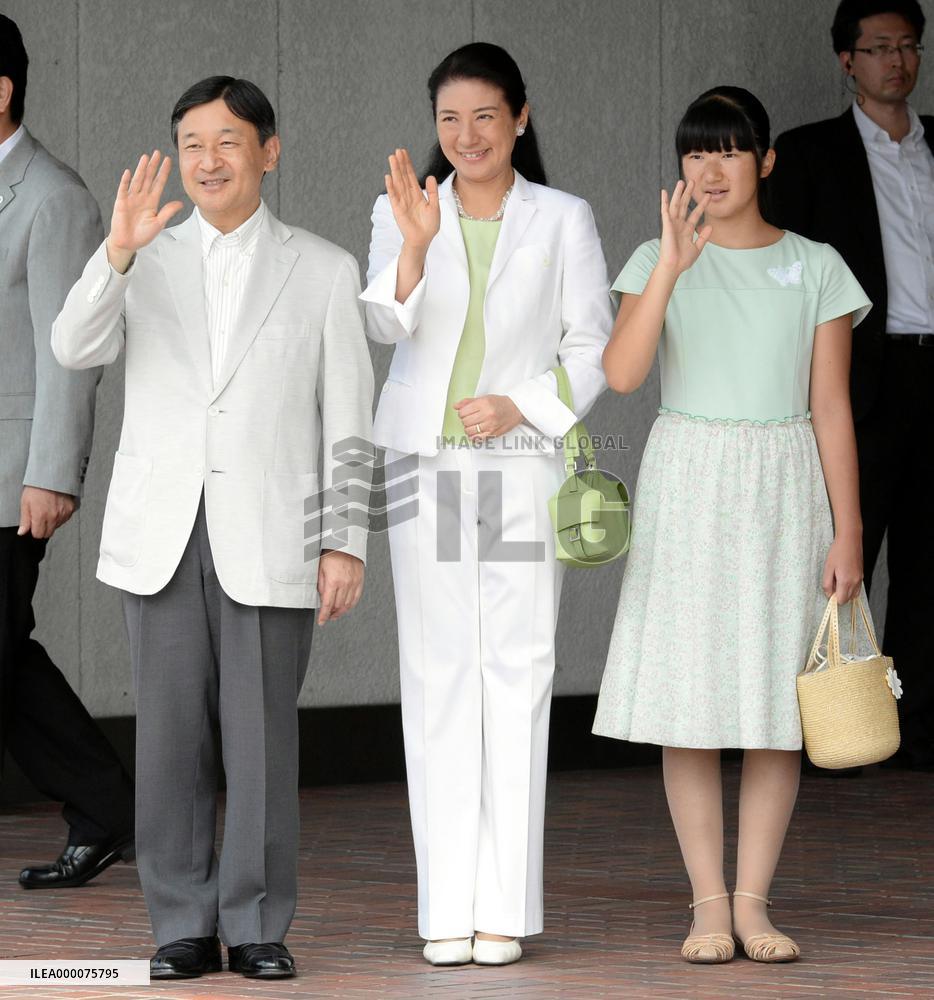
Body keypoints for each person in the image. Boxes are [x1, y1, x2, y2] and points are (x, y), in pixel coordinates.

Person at [52, 76, 374, 980]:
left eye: (228, 141)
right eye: (192, 142)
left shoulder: (323, 267)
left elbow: (351, 419)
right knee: (167, 741)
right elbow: (72, 347)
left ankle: (260, 920)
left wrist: (346, 538)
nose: (208, 160)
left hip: (271, 532)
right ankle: (181, 924)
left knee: (262, 739)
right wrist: (114, 253)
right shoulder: (141, 254)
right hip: (161, 530)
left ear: (268, 151)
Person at [593, 86, 871, 964]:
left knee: (770, 705)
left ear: (766, 160)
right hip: (691, 480)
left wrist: (849, 528)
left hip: (787, 484)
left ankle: (754, 904)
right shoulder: (653, 256)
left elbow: (832, 406)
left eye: (730, 151)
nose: (710, 169)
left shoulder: (817, 264)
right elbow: (623, 374)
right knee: (691, 699)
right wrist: (673, 264)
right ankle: (706, 905)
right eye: (695, 152)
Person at [361, 42, 611, 967]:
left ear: (521, 118)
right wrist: (415, 246)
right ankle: (445, 909)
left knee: (516, 670)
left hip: (515, 465)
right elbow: (384, 321)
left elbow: (594, 344)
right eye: (448, 119)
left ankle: (503, 906)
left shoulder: (562, 218)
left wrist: (524, 406)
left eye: (484, 117)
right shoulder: (404, 211)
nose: (465, 136)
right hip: (424, 468)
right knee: (435, 677)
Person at [767, 0, 934, 771]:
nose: (896, 61)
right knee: (842, 561)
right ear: (846, 60)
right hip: (856, 379)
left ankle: (915, 730)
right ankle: (832, 735)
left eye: (907, 47)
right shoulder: (808, 155)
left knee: (932, 565)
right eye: (877, 48)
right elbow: (780, 279)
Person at [0, 13, 134, 890]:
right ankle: (108, 806)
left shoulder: (54, 198)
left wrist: (54, 472)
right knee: (6, 651)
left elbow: (71, 352)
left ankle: (106, 804)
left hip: (13, 477)